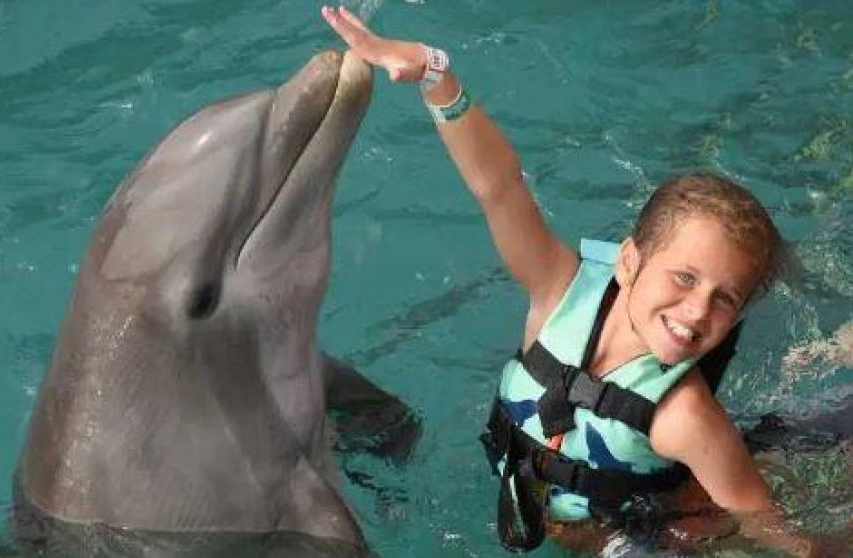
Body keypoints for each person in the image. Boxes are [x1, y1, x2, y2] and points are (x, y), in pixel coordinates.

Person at [319, 5, 829, 556]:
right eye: (684, 277)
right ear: (628, 261)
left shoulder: (686, 418)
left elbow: (770, 526)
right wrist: (436, 74)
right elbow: (499, 187)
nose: (697, 310)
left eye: (724, 298)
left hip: (639, 531)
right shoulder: (557, 290)